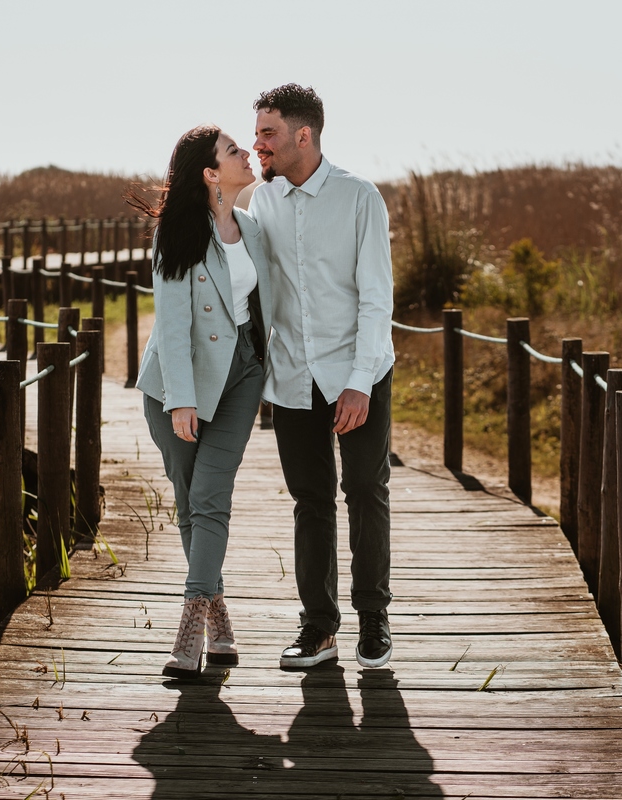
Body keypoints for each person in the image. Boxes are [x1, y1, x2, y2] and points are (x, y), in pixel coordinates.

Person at [249, 84, 396, 669]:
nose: (259, 144)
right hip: (292, 377)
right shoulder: (263, 202)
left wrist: (360, 381)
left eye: (268, 134)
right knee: (310, 501)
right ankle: (318, 629)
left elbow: (375, 299)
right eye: (257, 132)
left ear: (302, 135)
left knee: (364, 491)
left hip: (357, 371)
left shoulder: (360, 198)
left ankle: (374, 622)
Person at [133, 125, 271, 680]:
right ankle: (219, 623)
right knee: (193, 504)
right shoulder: (177, 234)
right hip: (174, 387)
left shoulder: (255, 229)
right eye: (233, 150)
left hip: (242, 375)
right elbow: (171, 324)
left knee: (211, 495)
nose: (245, 154)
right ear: (211, 174)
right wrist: (181, 401)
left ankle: (188, 629)